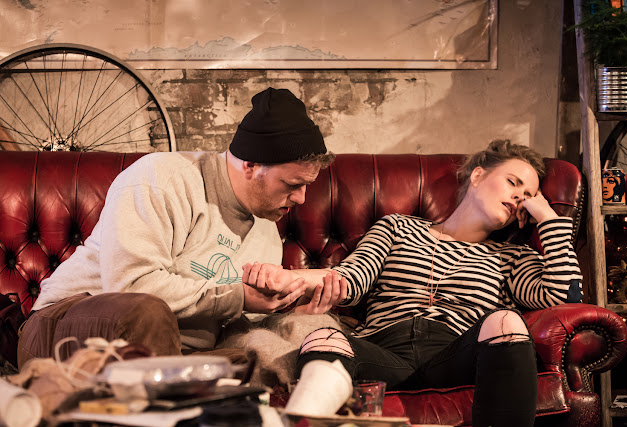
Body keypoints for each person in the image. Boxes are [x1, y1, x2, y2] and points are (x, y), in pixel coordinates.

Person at [243, 140, 583, 427]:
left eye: (529, 195)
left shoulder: (512, 257)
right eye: (513, 182)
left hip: (455, 357)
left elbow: (564, 296)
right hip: (381, 350)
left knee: (507, 321)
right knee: (324, 337)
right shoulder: (398, 228)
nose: (520, 197)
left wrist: (547, 218)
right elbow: (352, 277)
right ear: (478, 175)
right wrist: (289, 278)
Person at [17, 87, 346, 369]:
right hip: (65, 326)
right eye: (292, 184)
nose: (301, 198)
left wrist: (289, 312)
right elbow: (131, 286)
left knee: (265, 351)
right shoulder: (162, 178)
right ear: (251, 165)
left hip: (175, 349)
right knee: (147, 311)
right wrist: (236, 297)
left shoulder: (266, 230)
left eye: (306, 186)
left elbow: (236, 319)